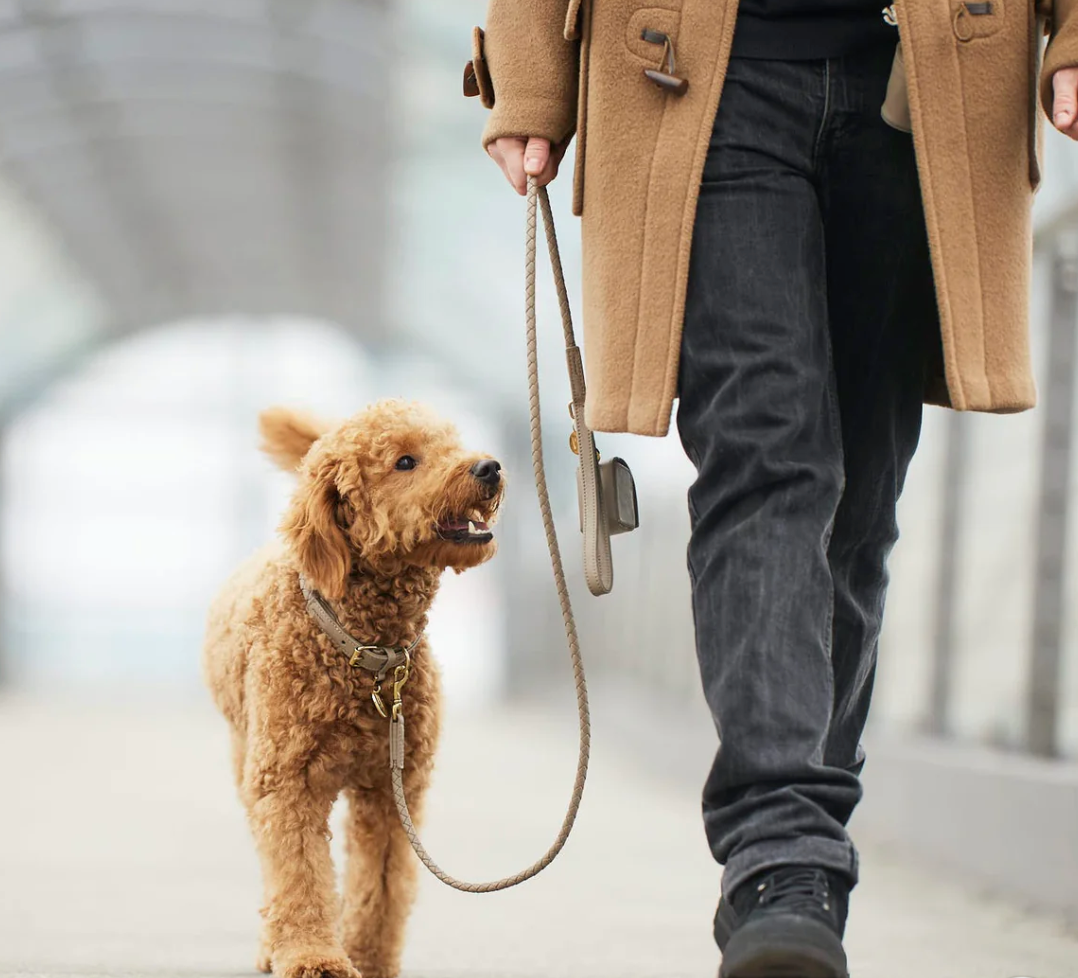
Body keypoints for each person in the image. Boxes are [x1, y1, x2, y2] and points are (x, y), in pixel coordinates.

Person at [466, 1, 1078, 975]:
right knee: (766, 454)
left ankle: (798, 854)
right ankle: (780, 858)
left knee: (858, 502)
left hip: (935, 71)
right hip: (693, 69)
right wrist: (532, 76)